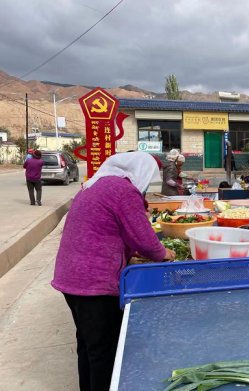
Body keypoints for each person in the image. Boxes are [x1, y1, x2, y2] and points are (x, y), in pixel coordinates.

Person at [51, 152, 176, 391]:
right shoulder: (123, 191)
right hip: (93, 282)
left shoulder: (96, 185)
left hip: (71, 276)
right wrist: (164, 253)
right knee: (103, 352)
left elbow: (106, 230)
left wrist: (129, 253)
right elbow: (144, 238)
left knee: (88, 346)